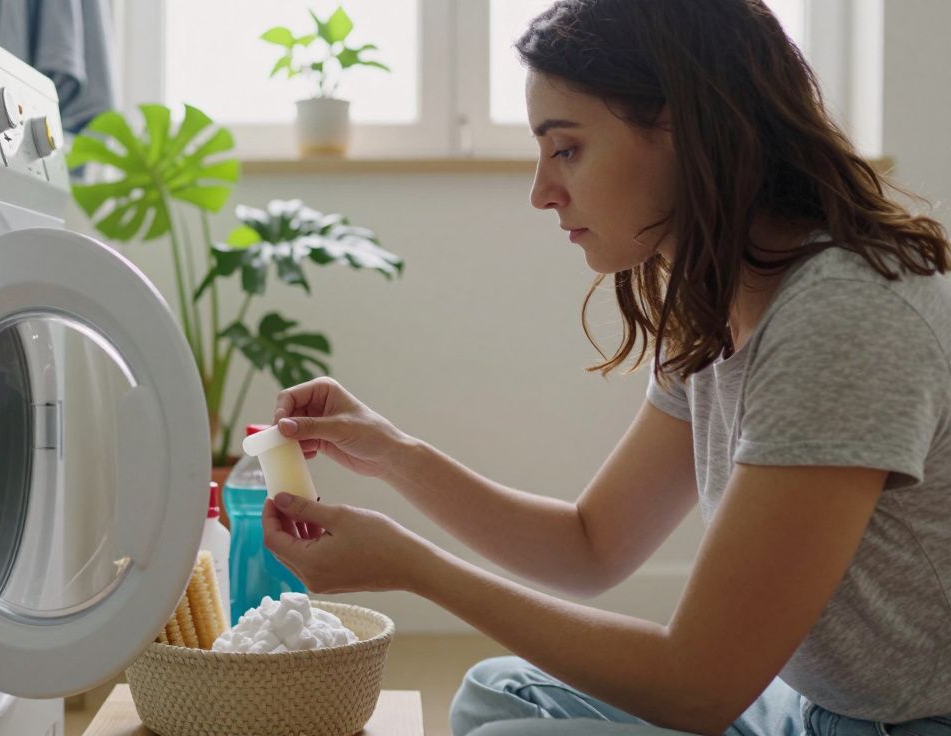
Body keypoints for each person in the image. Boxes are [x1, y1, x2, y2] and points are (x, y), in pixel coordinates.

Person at [257, 1, 951, 735]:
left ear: (683, 128)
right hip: (804, 707)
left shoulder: (845, 316)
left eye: (567, 149)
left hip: (898, 725)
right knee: (500, 696)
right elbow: (590, 545)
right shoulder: (722, 306)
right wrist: (393, 454)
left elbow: (698, 687)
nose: (541, 191)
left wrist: (415, 569)